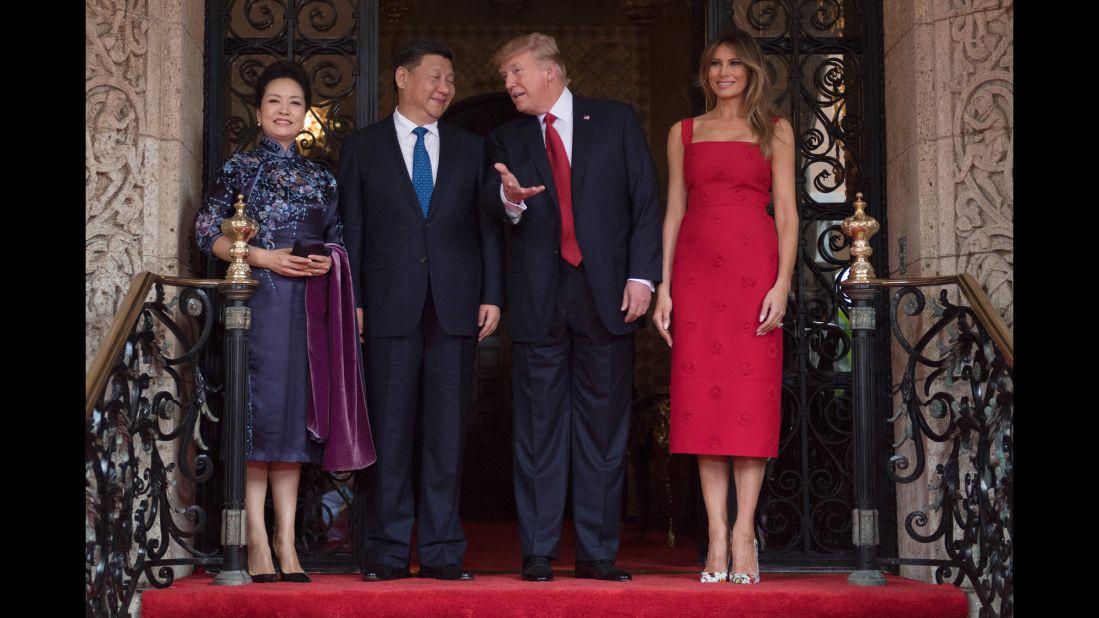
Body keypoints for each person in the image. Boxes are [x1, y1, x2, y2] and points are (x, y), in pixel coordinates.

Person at [484, 33, 662, 583]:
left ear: (551, 70)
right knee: (537, 432)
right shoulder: (505, 137)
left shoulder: (615, 120)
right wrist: (510, 200)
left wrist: (642, 277)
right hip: (538, 298)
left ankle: (597, 553)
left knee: (603, 431)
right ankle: (537, 551)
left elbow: (645, 202)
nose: (508, 84)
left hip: (608, 296)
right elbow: (494, 214)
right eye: (505, 76)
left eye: (515, 72)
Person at [196, 60, 376, 584]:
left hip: (310, 308)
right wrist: (264, 257)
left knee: (295, 421)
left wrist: (329, 261)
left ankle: (285, 540)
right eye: (274, 101)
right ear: (258, 111)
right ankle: (255, 538)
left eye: (294, 103)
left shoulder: (322, 175)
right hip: (258, 304)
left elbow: (339, 237)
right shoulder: (238, 169)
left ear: (306, 115)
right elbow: (208, 233)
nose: (283, 110)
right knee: (261, 418)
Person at [337, 39, 504, 582]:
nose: (445, 88)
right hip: (386, 308)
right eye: (435, 77)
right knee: (389, 435)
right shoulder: (362, 147)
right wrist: (354, 300)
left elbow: (488, 229)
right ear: (402, 77)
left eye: (451, 80)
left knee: (446, 437)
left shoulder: (469, 147)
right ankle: (385, 553)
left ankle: (442, 552)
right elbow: (353, 232)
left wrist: (493, 293)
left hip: (456, 307)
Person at [651, 28, 798, 584]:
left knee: (748, 405)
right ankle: (715, 534)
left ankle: (744, 534)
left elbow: (787, 214)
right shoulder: (682, 132)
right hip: (695, 278)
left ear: (752, 71)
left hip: (752, 276)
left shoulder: (775, 132)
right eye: (714, 63)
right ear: (705, 74)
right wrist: (664, 288)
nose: (723, 71)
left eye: (734, 63)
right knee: (703, 408)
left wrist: (781, 284)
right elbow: (673, 212)